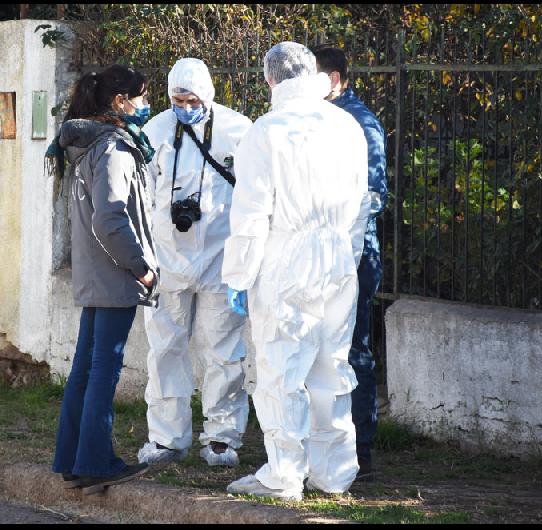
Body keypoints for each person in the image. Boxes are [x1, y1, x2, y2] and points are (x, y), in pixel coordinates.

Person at [222, 42, 370, 500]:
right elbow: (362, 204)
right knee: (331, 366)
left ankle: (284, 474)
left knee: (281, 368)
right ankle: (334, 472)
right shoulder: (346, 124)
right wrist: (349, 254)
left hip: (285, 261)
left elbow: (250, 215)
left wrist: (239, 277)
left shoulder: (265, 132)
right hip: (338, 259)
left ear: (271, 79)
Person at [48, 64, 159, 496]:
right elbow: (110, 219)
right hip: (114, 274)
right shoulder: (112, 148)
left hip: (95, 273)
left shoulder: (87, 145)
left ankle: (73, 460)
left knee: (85, 369)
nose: (146, 106)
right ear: (120, 101)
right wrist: (141, 266)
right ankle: (95, 462)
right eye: (142, 97)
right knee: (102, 370)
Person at [136, 58, 253, 467]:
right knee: (165, 350)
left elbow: (255, 198)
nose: (185, 106)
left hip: (221, 262)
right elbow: (142, 194)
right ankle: (167, 438)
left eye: (192, 99)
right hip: (166, 261)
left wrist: (247, 261)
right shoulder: (155, 131)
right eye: (177, 99)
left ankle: (222, 438)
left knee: (223, 352)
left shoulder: (239, 131)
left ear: (208, 95)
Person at [315, 46, 387, 481]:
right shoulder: (316, 119)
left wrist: (341, 240)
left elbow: (373, 195)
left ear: (336, 79)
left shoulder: (360, 122)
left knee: (353, 348)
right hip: (320, 254)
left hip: (354, 255)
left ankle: (361, 449)